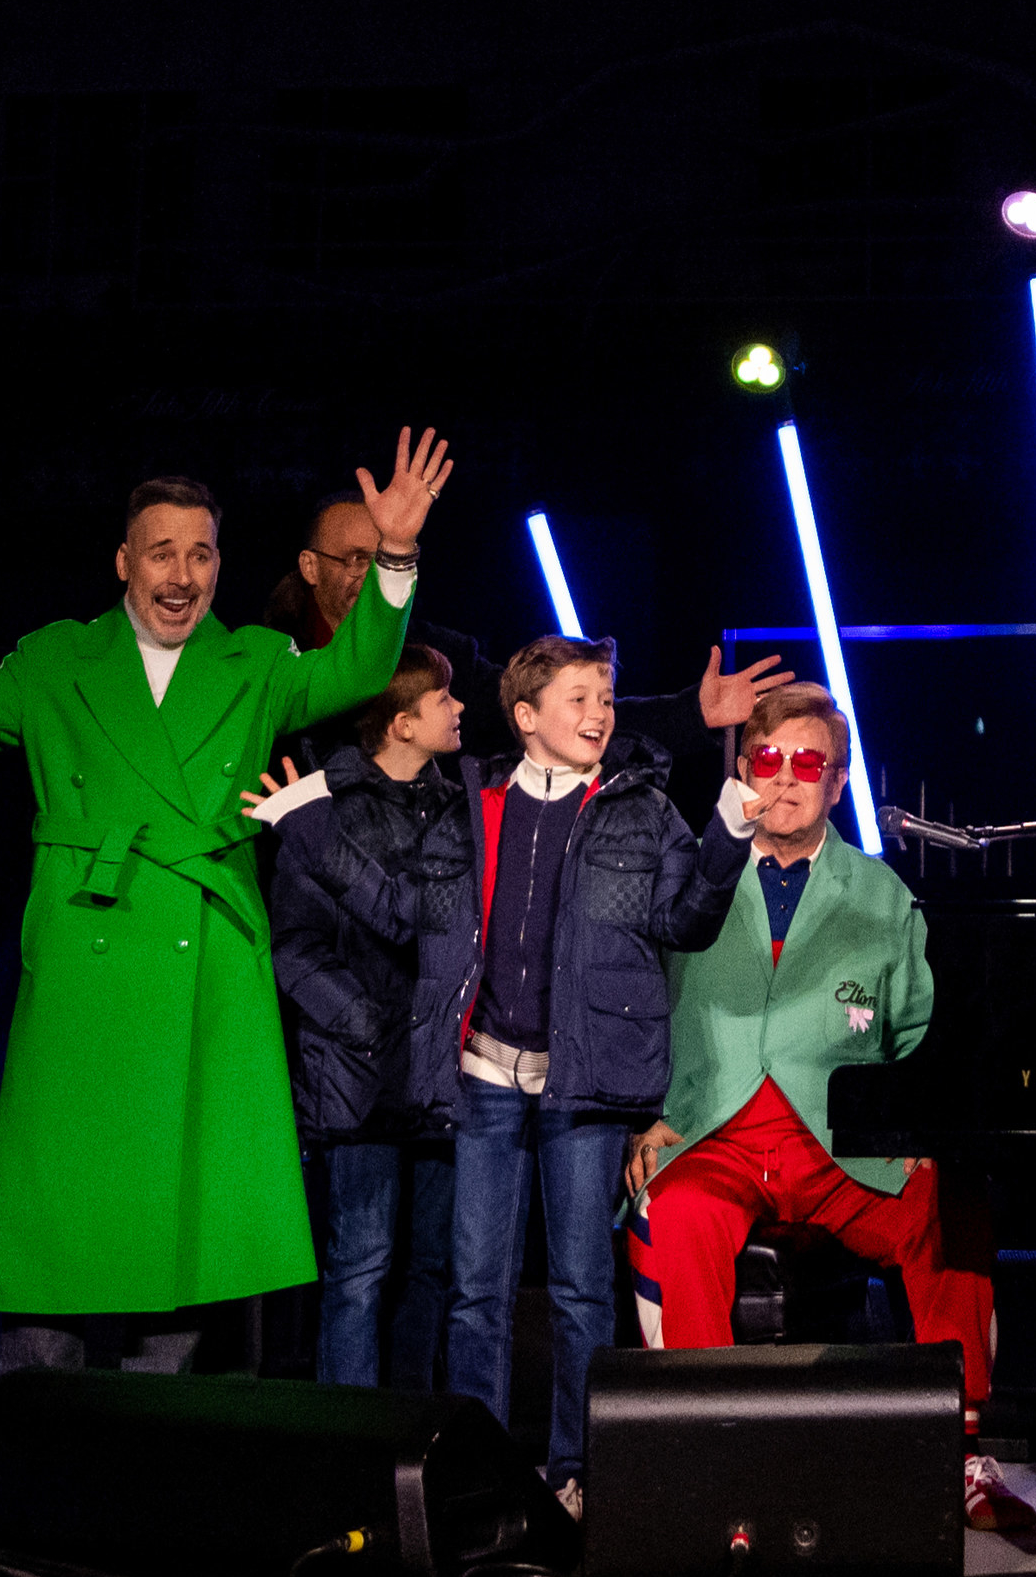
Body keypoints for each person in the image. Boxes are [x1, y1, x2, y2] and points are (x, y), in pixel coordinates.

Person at [0, 429, 449, 1369]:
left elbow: (358, 671)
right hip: (87, 972)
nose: (183, 573)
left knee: (186, 1242)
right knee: (61, 1237)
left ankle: (160, 1461)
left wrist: (394, 555)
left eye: (200, 553)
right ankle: (38, 1470)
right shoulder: (53, 661)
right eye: (162, 551)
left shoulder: (255, 663)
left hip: (205, 972)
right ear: (125, 561)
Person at [313, 634, 763, 1506]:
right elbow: (409, 915)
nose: (599, 714)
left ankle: (576, 1468)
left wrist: (728, 839)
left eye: (605, 698)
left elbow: (688, 921)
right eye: (579, 699)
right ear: (526, 718)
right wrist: (311, 829)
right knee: (476, 1290)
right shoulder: (468, 806)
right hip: (483, 1078)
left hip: (584, 1083)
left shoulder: (639, 805)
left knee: (581, 1291)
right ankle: (482, 1473)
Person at [623, 684, 1032, 1533]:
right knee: (674, 1211)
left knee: (948, 1202)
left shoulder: (883, 894)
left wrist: (925, 1131)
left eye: (808, 764)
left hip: (843, 1142)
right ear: (743, 772)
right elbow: (631, 1004)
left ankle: (963, 1451)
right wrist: (641, 1114)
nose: (784, 780)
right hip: (717, 1131)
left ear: (837, 783)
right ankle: (707, 1459)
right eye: (767, 761)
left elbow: (920, 1031)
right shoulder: (692, 872)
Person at [260, 645, 466, 1390]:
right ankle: (351, 1441)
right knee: (361, 1264)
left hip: (441, 1071)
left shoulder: (461, 807)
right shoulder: (326, 809)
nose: (460, 709)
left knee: (434, 1267)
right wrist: (366, 1027)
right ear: (404, 722)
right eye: (445, 699)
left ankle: (417, 1430)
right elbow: (295, 947)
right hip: (361, 1071)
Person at [257, 489, 790, 763]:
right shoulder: (261, 663)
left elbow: (549, 710)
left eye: (378, 560)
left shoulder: (440, 658)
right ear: (310, 567)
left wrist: (691, 713)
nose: (367, 577)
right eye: (352, 560)